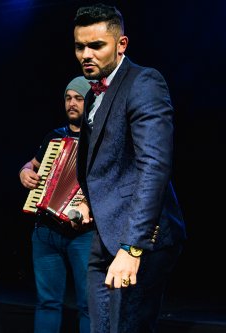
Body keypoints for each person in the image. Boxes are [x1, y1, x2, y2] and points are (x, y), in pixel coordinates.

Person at [70, 4, 187, 332]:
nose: (86, 55)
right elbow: (106, 163)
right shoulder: (94, 93)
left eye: (96, 45)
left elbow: (154, 166)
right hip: (105, 233)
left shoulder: (143, 82)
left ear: (121, 44)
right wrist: (88, 199)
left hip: (141, 237)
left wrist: (133, 247)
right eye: (80, 46)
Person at [19, 76, 93, 333]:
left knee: (89, 305)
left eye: (79, 98)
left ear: (91, 100)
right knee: (48, 303)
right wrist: (24, 171)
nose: (72, 103)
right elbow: (33, 165)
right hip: (45, 231)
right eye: (68, 98)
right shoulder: (54, 137)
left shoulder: (99, 139)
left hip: (83, 233)